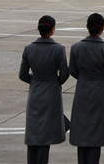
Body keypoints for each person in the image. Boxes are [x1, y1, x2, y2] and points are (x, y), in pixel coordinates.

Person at [19, 15, 69, 164]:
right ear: (52, 30)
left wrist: (35, 81)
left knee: (34, 133)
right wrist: (54, 83)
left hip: (35, 93)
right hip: (51, 92)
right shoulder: (58, 49)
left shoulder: (29, 48)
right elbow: (64, 74)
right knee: (46, 135)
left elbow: (22, 75)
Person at [69, 13, 104, 164]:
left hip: (82, 88)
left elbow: (72, 70)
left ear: (87, 27)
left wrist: (85, 78)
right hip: (100, 90)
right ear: (102, 28)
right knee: (96, 132)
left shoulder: (76, 47)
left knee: (82, 130)